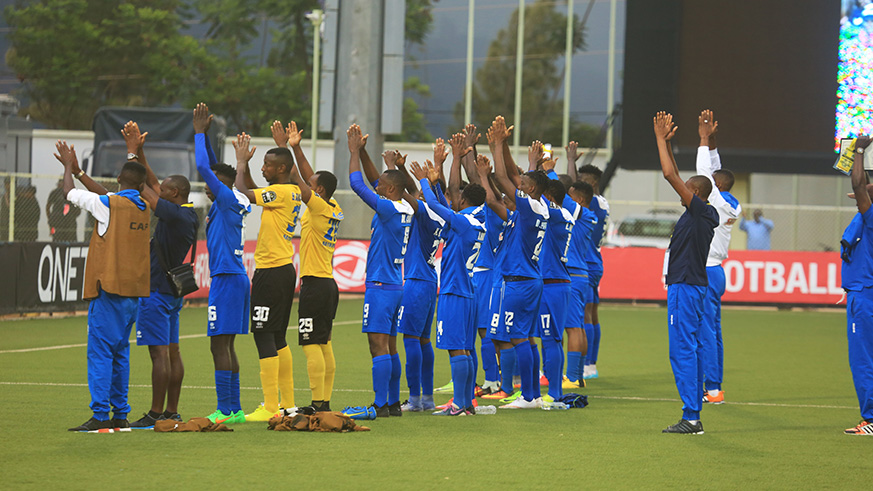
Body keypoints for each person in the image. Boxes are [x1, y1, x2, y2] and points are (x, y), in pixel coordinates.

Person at [56, 140, 151, 432]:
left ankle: (99, 416)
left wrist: (68, 168)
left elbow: (68, 193)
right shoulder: (143, 206)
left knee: (99, 353)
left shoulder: (110, 204)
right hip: (133, 293)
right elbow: (108, 197)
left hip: (108, 290)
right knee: (121, 354)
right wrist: (82, 171)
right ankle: (120, 414)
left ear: (120, 178)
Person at [121, 121, 198, 429]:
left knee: (159, 356)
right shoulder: (185, 211)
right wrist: (141, 151)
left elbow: (142, 188)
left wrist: (130, 157)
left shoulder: (174, 214)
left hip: (156, 291)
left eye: (164, 189)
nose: (158, 190)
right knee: (173, 352)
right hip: (172, 293)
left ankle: (154, 413)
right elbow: (153, 183)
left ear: (174, 193)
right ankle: (171, 411)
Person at [271, 120, 344, 413]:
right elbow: (309, 177)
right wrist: (297, 146)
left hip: (315, 285)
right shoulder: (332, 206)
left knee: (310, 343)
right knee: (324, 343)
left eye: (313, 187)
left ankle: (316, 404)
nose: (306, 188)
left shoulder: (317, 205)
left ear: (320, 191)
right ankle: (323, 402)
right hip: (328, 284)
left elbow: (301, 183)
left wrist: (284, 151)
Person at [654, 111, 719, 434]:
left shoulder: (701, 210)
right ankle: (692, 412)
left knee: (681, 350)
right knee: (689, 348)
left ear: (694, 193)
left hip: (685, 287)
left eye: (687, 189)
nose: (682, 189)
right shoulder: (701, 214)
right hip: (691, 286)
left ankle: (692, 417)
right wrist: (668, 142)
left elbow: (669, 174)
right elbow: (676, 173)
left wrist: (657, 140)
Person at [234, 132, 303, 422]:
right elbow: (254, 188)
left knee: (263, 334)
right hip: (284, 269)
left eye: (267, 165)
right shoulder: (293, 191)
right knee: (277, 336)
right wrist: (248, 169)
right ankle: (287, 404)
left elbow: (241, 192)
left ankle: (270, 406)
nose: (262, 168)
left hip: (271, 271)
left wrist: (239, 163)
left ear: (283, 170)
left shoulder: (283, 192)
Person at [347, 123, 414, 418]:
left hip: (381, 285)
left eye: (381, 188)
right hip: (396, 285)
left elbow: (358, 185)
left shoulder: (388, 208)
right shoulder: (407, 207)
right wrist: (362, 151)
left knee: (377, 345)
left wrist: (351, 153)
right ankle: (391, 403)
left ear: (389, 191)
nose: (377, 188)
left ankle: (378, 405)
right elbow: (377, 180)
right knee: (390, 344)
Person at [411, 160, 486, 415]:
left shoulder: (463, 222)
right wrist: (437, 183)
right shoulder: (476, 222)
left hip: (454, 290)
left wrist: (424, 180)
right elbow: (445, 208)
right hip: (469, 292)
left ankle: (458, 404)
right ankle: (465, 404)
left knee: (456, 348)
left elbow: (434, 206)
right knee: (465, 347)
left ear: (464, 201)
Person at [193, 103, 251, 424]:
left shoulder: (227, 197)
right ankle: (236, 409)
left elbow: (204, 166)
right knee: (226, 344)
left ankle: (224, 409)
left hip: (227, 278)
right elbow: (222, 174)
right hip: (235, 277)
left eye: (213, 180)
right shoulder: (237, 198)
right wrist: (237, 162)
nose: (207, 183)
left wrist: (200, 133)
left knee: (219, 345)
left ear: (222, 183)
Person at [488, 116, 549, 410]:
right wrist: (519, 156)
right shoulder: (541, 206)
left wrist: (499, 145)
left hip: (520, 281)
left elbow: (502, 178)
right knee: (527, 337)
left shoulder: (529, 206)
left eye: (523, 185)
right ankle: (534, 394)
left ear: (531, 189)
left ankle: (526, 396)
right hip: (531, 279)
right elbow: (516, 176)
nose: (518, 186)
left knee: (518, 337)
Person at [392, 144, 445, 414]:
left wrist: (394, 176)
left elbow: (406, 194)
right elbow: (414, 194)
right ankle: (426, 398)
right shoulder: (438, 213)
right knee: (423, 340)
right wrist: (401, 168)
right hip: (429, 281)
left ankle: (414, 399)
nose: (420, 194)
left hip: (416, 281)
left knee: (410, 339)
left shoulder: (424, 212)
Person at [695, 110, 741, 405]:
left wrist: (701, 139)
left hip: (708, 271)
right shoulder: (728, 200)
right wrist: (712, 141)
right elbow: (713, 170)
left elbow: (703, 174)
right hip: (715, 270)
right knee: (714, 330)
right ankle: (715, 386)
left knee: (706, 331)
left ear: (718, 187)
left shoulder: (717, 198)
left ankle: (712, 389)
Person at [842, 134, 873, 435]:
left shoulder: (871, 217)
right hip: (866, 292)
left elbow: (857, 185)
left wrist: (859, 151)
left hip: (864, 295)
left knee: (863, 360)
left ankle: (872, 419)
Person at [560, 141, 597, 388]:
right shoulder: (586, 215)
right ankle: (578, 375)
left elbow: (559, 192)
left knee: (573, 327)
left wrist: (548, 170)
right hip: (579, 275)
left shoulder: (582, 212)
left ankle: (573, 377)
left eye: (571, 197)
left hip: (572, 275)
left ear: (580, 200)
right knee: (579, 326)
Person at [578, 163, 609, 380]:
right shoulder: (602, 202)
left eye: (583, 181)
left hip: (587, 262)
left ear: (593, 184)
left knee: (586, 314)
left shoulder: (595, 202)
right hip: (594, 258)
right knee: (593, 313)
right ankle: (592, 363)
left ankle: (587, 364)